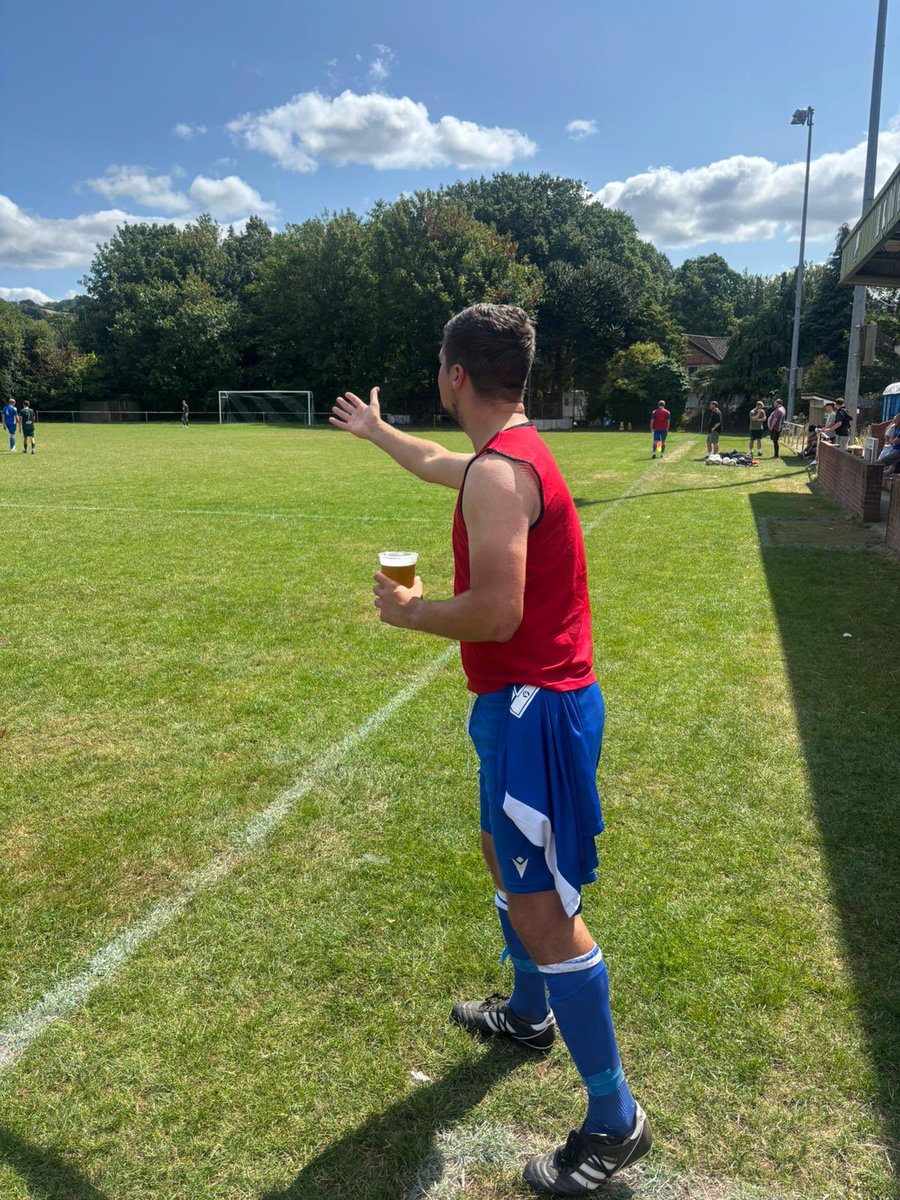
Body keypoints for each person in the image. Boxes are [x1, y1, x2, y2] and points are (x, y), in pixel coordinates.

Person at [330, 304, 651, 1195]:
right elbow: (443, 464)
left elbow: (498, 610)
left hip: (533, 709)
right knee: (501, 861)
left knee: (541, 906)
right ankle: (527, 1013)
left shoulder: (501, 475)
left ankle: (615, 1118)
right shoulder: (506, 455)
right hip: (517, 705)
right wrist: (377, 430)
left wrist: (415, 613)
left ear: (455, 374)